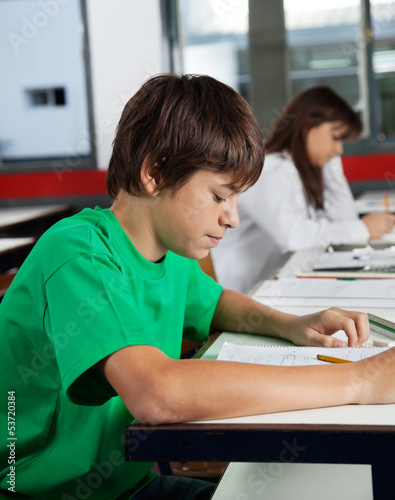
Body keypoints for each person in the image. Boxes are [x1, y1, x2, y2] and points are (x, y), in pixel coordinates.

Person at [1, 74, 395, 500]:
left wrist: (291, 325)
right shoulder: (79, 253)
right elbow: (156, 394)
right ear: (155, 173)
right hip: (39, 493)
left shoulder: (169, 254)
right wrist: (358, 382)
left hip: (126, 484)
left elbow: (218, 304)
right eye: (220, 196)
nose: (234, 218)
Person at [211, 85, 395, 293]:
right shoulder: (273, 168)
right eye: (336, 137)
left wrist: (332, 167)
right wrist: (362, 228)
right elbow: (294, 237)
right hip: (243, 290)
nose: (339, 149)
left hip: (277, 280)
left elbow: (344, 220)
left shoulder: (300, 170)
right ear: (307, 126)